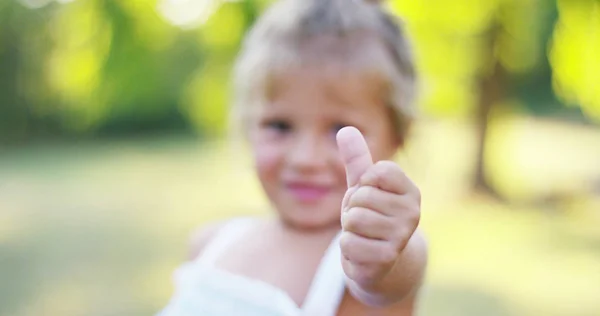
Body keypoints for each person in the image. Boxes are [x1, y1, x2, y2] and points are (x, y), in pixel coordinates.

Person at [158, 0, 427, 314]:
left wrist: (385, 257)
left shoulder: (374, 255)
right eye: (279, 125)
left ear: (398, 135)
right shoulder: (210, 243)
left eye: (339, 128)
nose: (305, 159)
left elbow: (393, 274)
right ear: (248, 127)